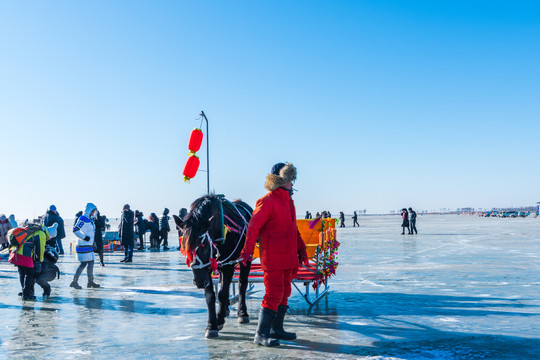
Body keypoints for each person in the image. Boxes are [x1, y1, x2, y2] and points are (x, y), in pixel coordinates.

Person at [240, 162, 308, 347]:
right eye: (291, 180)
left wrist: (301, 249)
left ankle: (276, 329)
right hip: (274, 259)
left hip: (288, 258)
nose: (293, 184)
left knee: (285, 292)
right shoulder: (267, 201)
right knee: (273, 294)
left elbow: (293, 230)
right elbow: (253, 228)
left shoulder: (289, 202)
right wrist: (246, 252)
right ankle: (261, 334)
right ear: (282, 180)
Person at [9, 223, 57, 300]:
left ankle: (25, 292)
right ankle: (26, 294)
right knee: (29, 274)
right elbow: (40, 249)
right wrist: (40, 259)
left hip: (16, 253)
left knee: (22, 273)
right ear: (49, 233)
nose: (51, 238)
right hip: (25, 255)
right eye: (52, 236)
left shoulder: (33, 230)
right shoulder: (41, 234)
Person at [71, 203, 100, 289]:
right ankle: (74, 281)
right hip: (83, 245)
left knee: (90, 263)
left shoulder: (90, 219)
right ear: (89, 211)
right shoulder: (82, 219)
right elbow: (75, 230)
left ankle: (90, 281)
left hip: (89, 245)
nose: (94, 213)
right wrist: (84, 237)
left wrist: (92, 242)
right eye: (93, 211)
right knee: (83, 264)